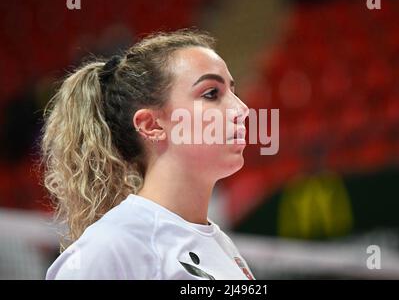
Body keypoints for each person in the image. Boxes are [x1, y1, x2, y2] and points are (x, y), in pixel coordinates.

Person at [41, 29, 254, 280]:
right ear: (152, 125)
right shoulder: (110, 249)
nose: (242, 109)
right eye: (211, 94)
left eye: (233, 91)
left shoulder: (222, 246)